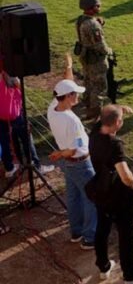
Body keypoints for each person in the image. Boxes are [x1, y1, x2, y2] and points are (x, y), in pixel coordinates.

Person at [89, 104, 133, 284]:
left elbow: (102, 115)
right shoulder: (114, 144)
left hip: (100, 189)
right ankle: (131, 276)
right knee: (126, 235)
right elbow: (125, 174)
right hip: (117, 195)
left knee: (102, 228)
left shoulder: (94, 132)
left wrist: (118, 108)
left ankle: (103, 266)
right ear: (117, 123)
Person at [46, 55, 97, 249]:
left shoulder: (53, 108)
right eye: (75, 94)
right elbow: (73, 149)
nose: (78, 96)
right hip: (80, 162)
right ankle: (90, 237)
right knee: (91, 197)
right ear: (67, 97)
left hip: (69, 165)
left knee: (74, 196)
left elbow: (65, 86)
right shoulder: (72, 121)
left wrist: (68, 67)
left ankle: (76, 232)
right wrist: (59, 154)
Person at [0, 62, 54, 179]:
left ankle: (10, 167)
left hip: (1, 115)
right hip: (15, 113)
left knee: (4, 141)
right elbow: (19, 86)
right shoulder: (8, 71)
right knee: (26, 138)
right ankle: (35, 165)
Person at [75, 0, 113, 120]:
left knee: (88, 81)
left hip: (85, 57)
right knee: (99, 86)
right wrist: (109, 51)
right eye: (98, 6)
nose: (99, 7)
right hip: (96, 60)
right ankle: (95, 112)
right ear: (92, 8)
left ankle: (86, 102)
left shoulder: (81, 19)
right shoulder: (92, 25)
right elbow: (100, 45)